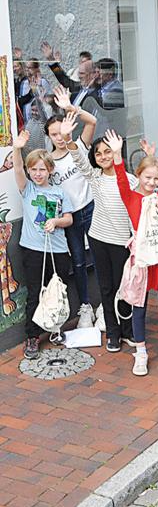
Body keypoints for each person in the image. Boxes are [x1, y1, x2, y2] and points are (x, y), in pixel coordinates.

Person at [109, 133, 158, 376]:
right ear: (139, 175)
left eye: (156, 178)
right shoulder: (131, 196)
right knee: (139, 304)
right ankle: (141, 351)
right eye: (147, 177)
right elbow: (121, 180)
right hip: (142, 259)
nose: (152, 182)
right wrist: (116, 154)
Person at [12, 131, 74, 359]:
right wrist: (17, 148)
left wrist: (56, 221)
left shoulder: (59, 192)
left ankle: (55, 328)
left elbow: (69, 219)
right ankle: (32, 336)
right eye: (34, 169)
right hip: (33, 250)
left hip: (58, 250)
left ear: (50, 170)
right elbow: (17, 170)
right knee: (36, 293)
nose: (38, 174)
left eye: (42, 169)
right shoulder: (28, 189)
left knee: (57, 293)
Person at [80, 131, 138, 352]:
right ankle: (113, 333)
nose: (103, 156)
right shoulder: (95, 177)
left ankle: (127, 330)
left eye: (108, 151)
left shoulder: (130, 180)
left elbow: (136, 210)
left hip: (123, 242)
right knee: (106, 288)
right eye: (98, 153)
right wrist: (67, 140)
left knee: (124, 287)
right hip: (99, 239)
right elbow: (78, 159)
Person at [46, 88, 99, 329]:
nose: (59, 137)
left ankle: (106, 305)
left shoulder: (78, 146)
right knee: (78, 262)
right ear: (48, 136)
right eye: (54, 134)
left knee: (100, 255)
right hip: (69, 217)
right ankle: (85, 306)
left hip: (91, 207)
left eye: (62, 132)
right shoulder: (48, 163)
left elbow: (92, 121)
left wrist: (70, 108)